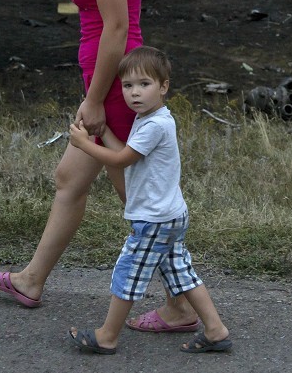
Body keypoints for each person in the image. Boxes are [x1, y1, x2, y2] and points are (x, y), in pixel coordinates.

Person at [0, 0, 198, 332]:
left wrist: (97, 99)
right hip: (106, 82)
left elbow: (117, 28)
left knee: (142, 206)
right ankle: (31, 279)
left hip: (113, 87)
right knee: (69, 179)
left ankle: (184, 306)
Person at [66, 46, 232, 354]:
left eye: (144, 84)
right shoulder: (152, 118)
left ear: (164, 86)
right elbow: (126, 153)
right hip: (169, 215)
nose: (134, 93)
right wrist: (102, 133)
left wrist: (84, 143)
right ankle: (216, 330)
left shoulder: (154, 124)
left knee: (128, 272)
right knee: (180, 273)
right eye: (128, 86)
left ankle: (107, 336)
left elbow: (122, 160)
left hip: (154, 219)